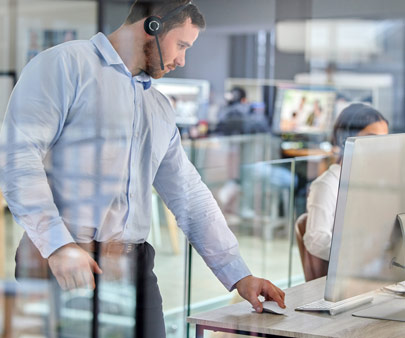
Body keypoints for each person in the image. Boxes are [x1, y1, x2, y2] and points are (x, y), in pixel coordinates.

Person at [0, 0, 285, 336]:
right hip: (61, 262)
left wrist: (240, 275)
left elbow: (189, 195)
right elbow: (18, 159)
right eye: (181, 45)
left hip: (134, 268)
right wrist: (58, 245)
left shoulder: (158, 107)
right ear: (152, 26)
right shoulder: (65, 65)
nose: (182, 60)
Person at [303, 103, 389, 262]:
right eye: (371, 138)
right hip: (349, 274)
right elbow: (315, 239)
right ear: (345, 139)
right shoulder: (327, 185)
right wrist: (358, 255)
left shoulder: (371, 183)